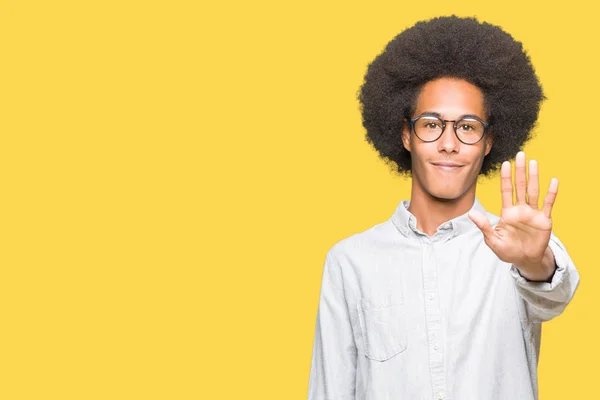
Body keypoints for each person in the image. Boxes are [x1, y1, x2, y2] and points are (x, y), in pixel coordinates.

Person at [307, 15, 580, 400]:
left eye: (467, 127)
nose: (449, 143)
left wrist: (535, 263)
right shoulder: (350, 261)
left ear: (488, 142)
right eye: (432, 124)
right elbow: (330, 389)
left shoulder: (517, 247)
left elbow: (555, 293)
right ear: (405, 134)